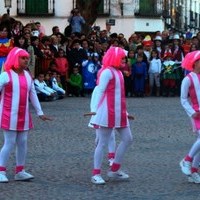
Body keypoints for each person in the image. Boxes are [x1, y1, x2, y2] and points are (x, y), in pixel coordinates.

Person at [0, 47, 51, 183]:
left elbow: (32, 94)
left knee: (22, 143)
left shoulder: (28, 75)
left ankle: (20, 171)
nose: (26, 60)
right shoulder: (6, 75)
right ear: (15, 59)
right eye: (23, 58)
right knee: (9, 143)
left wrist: (40, 112)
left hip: (23, 115)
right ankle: (1, 171)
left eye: (27, 58)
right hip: (8, 114)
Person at [85, 46, 134, 185]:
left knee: (128, 139)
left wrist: (126, 112)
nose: (125, 60)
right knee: (102, 142)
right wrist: (94, 109)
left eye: (125, 58)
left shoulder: (118, 72)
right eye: (123, 58)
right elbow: (100, 91)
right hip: (106, 112)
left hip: (119, 113)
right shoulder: (107, 72)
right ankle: (96, 174)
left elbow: (119, 96)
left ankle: (114, 169)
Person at [179, 50, 200, 184]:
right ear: (195, 62)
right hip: (197, 114)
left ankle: (193, 171)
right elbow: (183, 99)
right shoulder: (188, 79)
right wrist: (192, 112)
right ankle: (186, 160)